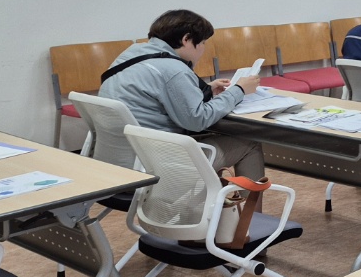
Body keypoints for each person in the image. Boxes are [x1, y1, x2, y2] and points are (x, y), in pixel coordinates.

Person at [99, 9, 262, 175]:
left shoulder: (130, 53)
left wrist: (206, 90)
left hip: (117, 160)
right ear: (186, 39)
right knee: (249, 143)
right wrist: (239, 90)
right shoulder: (174, 69)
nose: (203, 49)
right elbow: (198, 120)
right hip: (153, 163)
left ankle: (207, 197)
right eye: (203, 42)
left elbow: (154, 92)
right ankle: (238, 200)